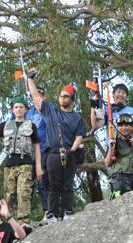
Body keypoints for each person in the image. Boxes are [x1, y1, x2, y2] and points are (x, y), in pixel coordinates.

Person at [27, 73, 86, 224]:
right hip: (53, 154)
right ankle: (51, 214)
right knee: (53, 184)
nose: (63, 98)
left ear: (72, 99)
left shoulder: (77, 118)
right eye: (61, 96)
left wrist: (72, 150)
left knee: (68, 184)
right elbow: (35, 96)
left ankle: (67, 211)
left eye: (66, 96)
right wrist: (29, 79)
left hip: (70, 153)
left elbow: (80, 136)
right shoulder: (50, 111)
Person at [0, 96, 42, 233]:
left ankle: (24, 222)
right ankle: (6, 222)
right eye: (16, 107)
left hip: (26, 163)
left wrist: (38, 166)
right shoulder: (6, 124)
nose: (18, 109)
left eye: (21, 107)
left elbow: (37, 146)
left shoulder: (31, 125)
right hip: (9, 164)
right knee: (9, 195)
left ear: (26, 109)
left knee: (24, 192)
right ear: (12, 109)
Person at [26, 86, 49, 222]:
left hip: (44, 150)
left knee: (43, 181)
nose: (37, 97)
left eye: (40, 95)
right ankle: (24, 215)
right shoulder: (28, 113)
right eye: (35, 95)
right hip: (29, 152)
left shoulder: (47, 110)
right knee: (27, 183)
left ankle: (47, 210)